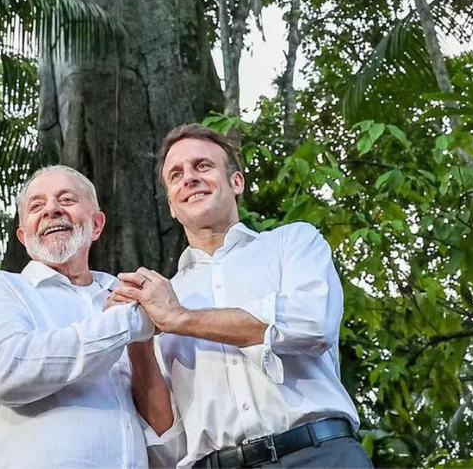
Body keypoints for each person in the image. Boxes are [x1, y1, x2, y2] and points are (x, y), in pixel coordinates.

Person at [109, 124, 372, 469]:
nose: (189, 178)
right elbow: (168, 442)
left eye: (203, 166)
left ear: (236, 182)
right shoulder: (163, 297)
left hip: (321, 454)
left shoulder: (291, 242)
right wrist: (137, 341)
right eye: (176, 175)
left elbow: (311, 323)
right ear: (172, 205)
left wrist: (182, 319)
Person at [0, 165, 156, 469]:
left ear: (97, 225)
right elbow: (4, 372)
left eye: (67, 200)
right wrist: (127, 323)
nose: (51, 210)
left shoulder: (127, 295)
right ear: (23, 235)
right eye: (37, 205)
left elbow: (156, 412)